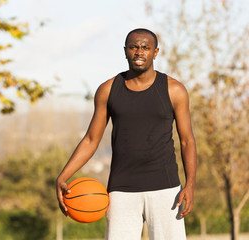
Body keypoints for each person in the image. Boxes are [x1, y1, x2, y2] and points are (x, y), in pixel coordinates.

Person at [56, 28, 197, 240]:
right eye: (134, 47)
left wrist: (190, 184)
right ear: (125, 51)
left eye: (145, 47)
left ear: (155, 52)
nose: (139, 52)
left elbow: (187, 141)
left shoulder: (174, 90)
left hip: (166, 188)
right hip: (121, 190)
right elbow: (91, 140)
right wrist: (63, 176)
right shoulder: (107, 90)